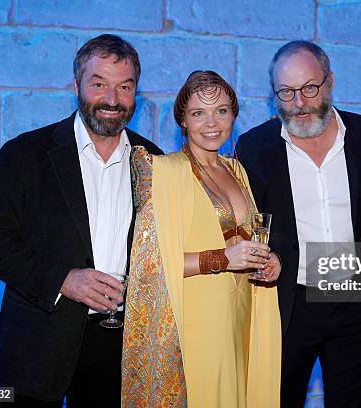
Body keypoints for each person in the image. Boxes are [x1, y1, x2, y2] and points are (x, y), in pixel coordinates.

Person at [0, 34, 162, 407]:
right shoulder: (25, 153)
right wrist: (63, 280)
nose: (112, 99)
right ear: (76, 86)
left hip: (118, 349)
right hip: (37, 344)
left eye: (125, 86)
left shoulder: (153, 161)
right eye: (99, 84)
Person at [236, 41, 361, 407]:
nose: (299, 103)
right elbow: (248, 227)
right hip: (290, 307)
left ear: (330, 81)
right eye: (287, 92)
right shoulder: (254, 147)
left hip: (356, 304)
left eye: (309, 88)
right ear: (273, 94)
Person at [121, 70, 282, 407]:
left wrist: (269, 261)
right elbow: (149, 265)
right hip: (196, 325)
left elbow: (249, 241)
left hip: (241, 320)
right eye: (198, 113)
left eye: (222, 111)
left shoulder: (237, 170)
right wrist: (222, 259)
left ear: (234, 115)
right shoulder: (163, 172)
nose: (212, 122)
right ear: (182, 119)